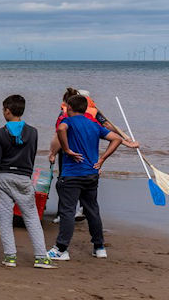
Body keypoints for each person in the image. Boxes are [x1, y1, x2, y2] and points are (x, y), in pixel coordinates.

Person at [47, 93, 140, 261]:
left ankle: (61, 249)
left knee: (68, 212)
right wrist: (102, 160)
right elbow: (117, 139)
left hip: (72, 175)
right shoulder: (93, 124)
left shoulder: (67, 121)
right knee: (92, 210)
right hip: (91, 174)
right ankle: (99, 247)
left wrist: (66, 150)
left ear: (69, 108)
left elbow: (60, 130)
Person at [0, 95, 54, 269]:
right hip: (23, 177)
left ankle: (10, 257)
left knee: (5, 219)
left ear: (7, 111)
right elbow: (32, 154)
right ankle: (41, 257)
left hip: (3, 178)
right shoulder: (33, 132)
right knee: (31, 218)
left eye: (3, 110)